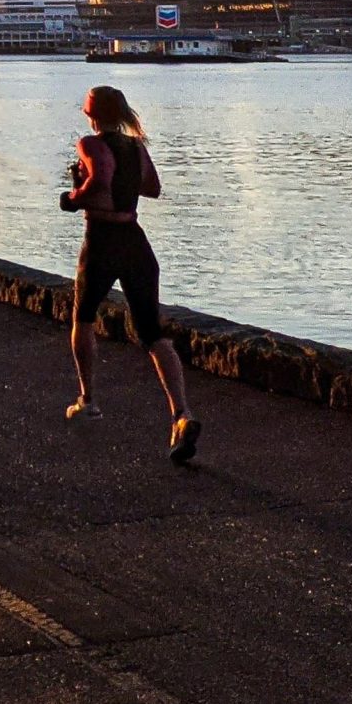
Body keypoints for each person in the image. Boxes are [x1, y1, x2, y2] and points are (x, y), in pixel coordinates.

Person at [60, 84, 201, 463]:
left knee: (84, 317)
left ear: (96, 114)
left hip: (104, 240)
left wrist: (74, 198)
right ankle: (181, 414)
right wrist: (108, 186)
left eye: (87, 108)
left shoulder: (89, 144)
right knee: (153, 333)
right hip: (136, 242)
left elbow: (101, 179)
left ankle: (88, 400)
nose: (84, 113)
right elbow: (151, 188)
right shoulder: (136, 146)